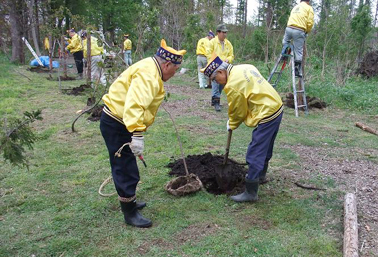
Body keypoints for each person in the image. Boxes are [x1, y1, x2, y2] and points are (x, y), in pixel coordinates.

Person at [100, 39, 186, 228]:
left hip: (121, 122)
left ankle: (130, 201)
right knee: (124, 167)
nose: (175, 73)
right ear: (167, 64)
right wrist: (137, 134)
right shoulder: (149, 74)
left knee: (127, 165)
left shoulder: (152, 69)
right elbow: (135, 105)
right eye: (175, 69)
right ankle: (129, 213)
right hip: (117, 123)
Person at [202, 55, 283, 202]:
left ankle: (251, 192)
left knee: (255, 151)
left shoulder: (233, 84)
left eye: (215, 79)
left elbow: (238, 111)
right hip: (276, 106)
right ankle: (260, 176)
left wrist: (231, 123)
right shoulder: (244, 67)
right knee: (266, 146)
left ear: (221, 73)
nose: (216, 83)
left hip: (266, 113)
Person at [205, 24, 234, 111]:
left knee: (222, 84)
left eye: (226, 32)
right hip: (215, 66)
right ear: (218, 32)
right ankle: (216, 102)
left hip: (225, 67)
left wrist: (228, 60)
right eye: (223, 32)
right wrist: (215, 62)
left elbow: (231, 55)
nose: (225, 34)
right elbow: (208, 54)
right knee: (215, 83)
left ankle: (215, 100)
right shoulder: (212, 42)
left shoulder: (228, 43)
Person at [282, 0, 314, 77]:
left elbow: (291, 17)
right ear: (308, 1)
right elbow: (310, 22)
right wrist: (307, 31)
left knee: (285, 41)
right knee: (298, 51)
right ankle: (296, 70)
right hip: (299, 30)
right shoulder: (309, 8)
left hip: (289, 28)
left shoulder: (295, 7)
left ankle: (284, 53)